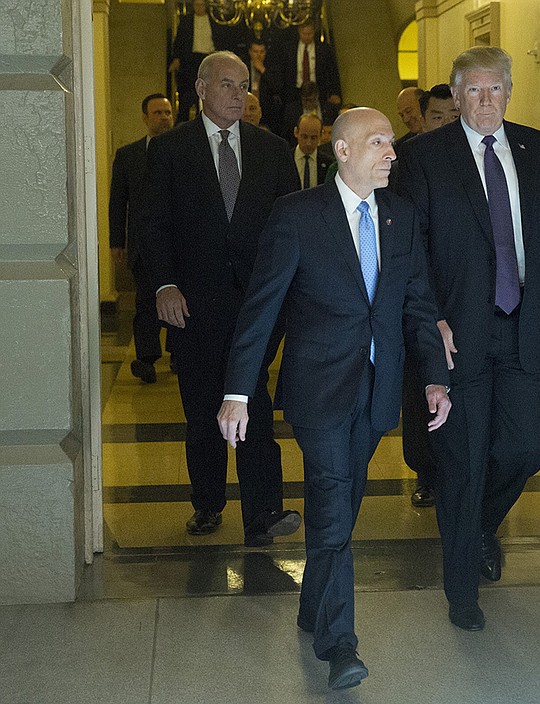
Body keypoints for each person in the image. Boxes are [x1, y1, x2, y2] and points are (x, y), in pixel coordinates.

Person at [217, 107, 451, 690]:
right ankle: (339, 644)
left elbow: (417, 303)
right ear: (343, 152)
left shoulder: (400, 214)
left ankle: (309, 606)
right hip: (318, 391)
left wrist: (434, 379)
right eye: (379, 143)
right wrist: (237, 392)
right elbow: (261, 307)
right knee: (331, 505)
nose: (392, 154)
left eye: (392, 144)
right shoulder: (298, 217)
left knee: (340, 510)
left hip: (376, 393)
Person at [396, 46, 540, 631]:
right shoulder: (424, 157)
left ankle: (479, 526)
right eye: (474, 91)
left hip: (523, 328)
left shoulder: (538, 150)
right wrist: (430, 320)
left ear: (509, 92)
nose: (486, 100)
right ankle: (461, 592)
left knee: (523, 450)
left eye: (496, 89)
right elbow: (411, 251)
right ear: (455, 97)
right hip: (458, 335)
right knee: (460, 463)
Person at [139, 51, 301, 544]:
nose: (239, 94)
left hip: (257, 309)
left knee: (255, 403)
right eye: (228, 84)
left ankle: (264, 513)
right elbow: (151, 227)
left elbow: (290, 228)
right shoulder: (169, 150)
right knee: (203, 410)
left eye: (244, 85)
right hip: (193, 305)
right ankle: (207, 504)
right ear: (201, 89)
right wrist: (163, 285)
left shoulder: (271, 150)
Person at [398, 85, 459, 507]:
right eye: (438, 117)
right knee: (420, 385)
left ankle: (460, 470)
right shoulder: (404, 159)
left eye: (454, 116)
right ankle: (425, 471)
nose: (448, 125)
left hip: (463, 293)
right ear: (422, 118)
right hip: (418, 292)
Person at [109, 93, 174, 384]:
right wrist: (116, 241)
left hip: (179, 242)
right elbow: (117, 201)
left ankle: (179, 353)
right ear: (145, 118)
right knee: (147, 301)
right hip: (143, 243)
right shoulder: (128, 155)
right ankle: (146, 357)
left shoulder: (185, 150)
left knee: (183, 299)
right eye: (158, 113)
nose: (164, 118)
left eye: (168, 112)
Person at [169, 0, 242, 122]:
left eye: (202, 5)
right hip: (191, 60)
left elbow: (222, 39)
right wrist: (177, 58)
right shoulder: (186, 21)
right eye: (197, 5)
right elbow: (179, 40)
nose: (199, 8)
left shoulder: (214, 20)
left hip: (210, 58)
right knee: (188, 94)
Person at [293, 113, 333, 188]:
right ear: (296, 132)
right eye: (304, 137)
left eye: (313, 138)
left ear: (321, 135)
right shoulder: (285, 159)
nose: (308, 143)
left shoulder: (328, 163)